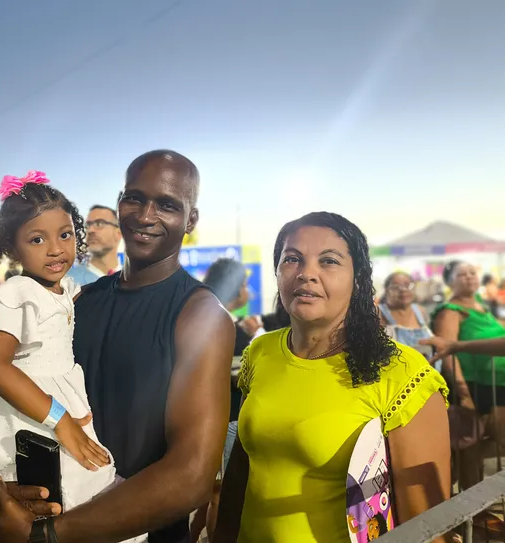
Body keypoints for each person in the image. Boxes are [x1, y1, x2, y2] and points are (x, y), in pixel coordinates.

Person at [0, 150, 235, 543]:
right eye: (135, 198)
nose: (145, 215)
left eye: (167, 205)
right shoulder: (80, 301)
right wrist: (9, 489)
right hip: (55, 515)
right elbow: (23, 404)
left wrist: (49, 535)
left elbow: (191, 475)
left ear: (191, 219)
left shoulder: (201, 315)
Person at [215, 212, 451, 543]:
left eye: (329, 261)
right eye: (292, 259)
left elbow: (426, 526)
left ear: (357, 281)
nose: (306, 273)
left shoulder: (402, 372)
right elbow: (242, 466)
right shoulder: (261, 352)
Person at [0, 170, 146, 540]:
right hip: (35, 415)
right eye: (37, 239)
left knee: (87, 492)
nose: (56, 248)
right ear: (12, 249)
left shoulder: (63, 291)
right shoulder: (16, 294)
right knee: (73, 496)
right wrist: (61, 420)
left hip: (63, 412)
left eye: (64, 235)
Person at [432, 260, 505, 489]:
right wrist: (463, 393)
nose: (469, 277)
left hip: (497, 384)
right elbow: (447, 352)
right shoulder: (450, 311)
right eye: (462, 274)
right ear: (449, 281)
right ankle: (473, 507)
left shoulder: (483, 307)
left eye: (472, 272)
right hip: (475, 387)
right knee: (470, 447)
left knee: (491, 442)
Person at [378, 271, 435, 362]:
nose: (403, 290)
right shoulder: (378, 313)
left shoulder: (421, 311)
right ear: (387, 290)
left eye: (408, 285)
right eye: (396, 287)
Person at [67, 204, 122, 287]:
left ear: (119, 233)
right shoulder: (68, 282)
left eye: (99, 224)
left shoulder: (134, 280)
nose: (90, 230)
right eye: (88, 225)